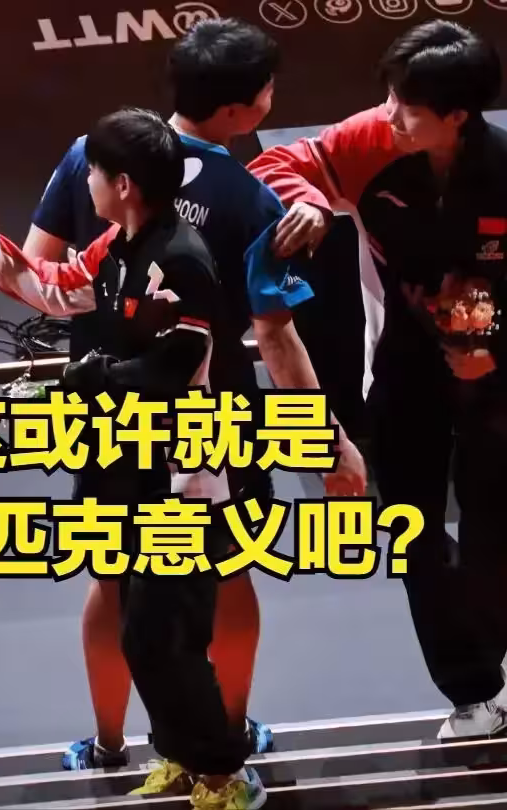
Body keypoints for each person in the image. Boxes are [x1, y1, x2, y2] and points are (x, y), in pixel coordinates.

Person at [22, 16, 367, 775]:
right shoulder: (251, 200)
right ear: (245, 109)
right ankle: (229, 736)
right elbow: (276, 338)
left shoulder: (94, 154)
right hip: (212, 416)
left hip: (107, 408)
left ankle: (109, 744)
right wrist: (330, 439)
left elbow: (40, 267)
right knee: (228, 569)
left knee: (113, 574)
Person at [0, 106, 269, 810]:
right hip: (131, 469)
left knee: (166, 635)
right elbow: (54, 287)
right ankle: (184, 756)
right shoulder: (117, 247)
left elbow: (182, 358)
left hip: (183, 481)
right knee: (150, 633)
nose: (84, 180)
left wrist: (99, 377)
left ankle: (226, 774)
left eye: (92, 170)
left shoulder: (179, 257)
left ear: (122, 184)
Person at [249, 20, 507, 740]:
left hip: (496, 376)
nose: (389, 116)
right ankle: (474, 691)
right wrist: (305, 197)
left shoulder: (503, 171)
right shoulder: (372, 140)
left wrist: (484, 342)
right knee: (413, 531)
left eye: (408, 110)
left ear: (458, 115)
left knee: (493, 536)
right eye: (389, 98)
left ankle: (497, 645)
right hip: (404, 365)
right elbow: (276, 164)